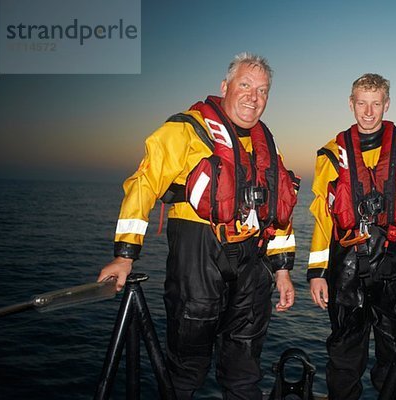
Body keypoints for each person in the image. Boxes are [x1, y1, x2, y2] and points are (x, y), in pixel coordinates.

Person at [98, 52, 299, 400]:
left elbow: (278, 206)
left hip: (253, 266)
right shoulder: (186, 128)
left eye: (263, 90)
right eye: (246, 85)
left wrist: (282, 271)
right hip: (197, 258)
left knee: (244, 371)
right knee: (186, 368)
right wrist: (125, 255)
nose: (254, 97)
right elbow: (144, 183)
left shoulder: (267, 144)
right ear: (225, 87)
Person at [307, 73, 396, 399]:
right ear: (351, 104)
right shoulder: (330, 155)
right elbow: (323, 218)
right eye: (362, 104)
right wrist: (316, 273)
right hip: (347, 266)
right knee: (344, 351)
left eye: (376, 104)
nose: (368, 112)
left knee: (395, 349)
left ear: (386, 105)